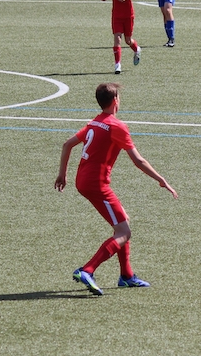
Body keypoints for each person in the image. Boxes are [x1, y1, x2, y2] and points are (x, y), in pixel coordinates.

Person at [55, 83, 178, 295]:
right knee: (124, 232)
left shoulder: (95, 122)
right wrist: (161, 179)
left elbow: (67, 144)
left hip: (82, 180)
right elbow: (138, 160)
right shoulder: (116, 126)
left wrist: (62, 174)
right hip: (97, 185)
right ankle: (87, 270)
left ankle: (127, 276)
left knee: (123, 222)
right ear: (115, 101)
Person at [99, 0, 141, 75]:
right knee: (117, 39)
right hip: (116, 16)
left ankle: (137, 49)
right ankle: (117, 65)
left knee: (128, 40)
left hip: (128, 15)